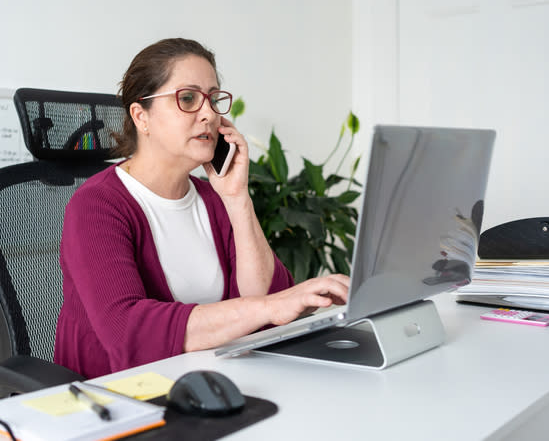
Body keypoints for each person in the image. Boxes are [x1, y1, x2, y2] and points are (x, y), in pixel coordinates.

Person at [54, 38, 350, 378]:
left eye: (213, 98)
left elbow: (269, 301)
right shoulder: (97, 205)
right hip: (119, 401)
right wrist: (269, 307)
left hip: (210, 384)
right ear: (141, 116)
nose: (209, 114)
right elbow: (126, 331)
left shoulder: (213, 199)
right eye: (189, 98)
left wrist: (237, 197)